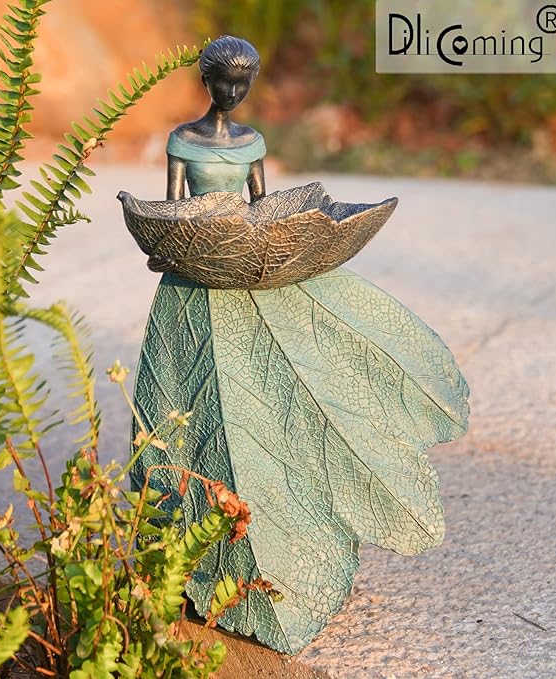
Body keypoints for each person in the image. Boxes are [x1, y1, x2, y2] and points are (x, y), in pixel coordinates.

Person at [124, 35, 469, 655]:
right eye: (225, 82)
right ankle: (191, 551)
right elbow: (175, 212)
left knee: (277, 394)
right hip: (197, 270)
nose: (235, 93)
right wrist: (168, 248)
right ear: (206, 81)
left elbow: (262, 210)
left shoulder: (253, 142)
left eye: (245, 83)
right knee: (189, 404)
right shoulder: (183, 140)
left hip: (248, 264)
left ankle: (278, 560)